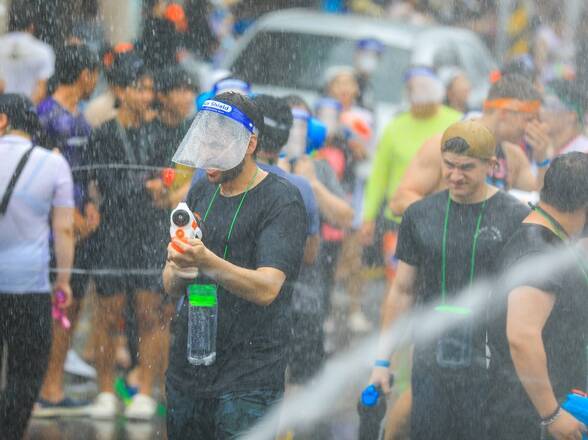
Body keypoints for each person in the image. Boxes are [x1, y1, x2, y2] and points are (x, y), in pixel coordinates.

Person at [368, 120, 530, 439]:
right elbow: (402, 291)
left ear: (491, 165)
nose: (455, 176)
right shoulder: (420, 215)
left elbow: (526, 299)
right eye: (449, 166)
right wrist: (382, 361)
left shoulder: (514, 216)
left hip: (490, 364)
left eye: (467, 167)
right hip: (431, 360)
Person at [163, 92, 307, 438]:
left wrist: (206, 260)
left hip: (249, 374)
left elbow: (268, 288)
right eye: (204, 144)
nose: (208, 157)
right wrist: (178, 267)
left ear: (250, 144)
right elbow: (169, 284)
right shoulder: (201, 192)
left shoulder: (281, 200)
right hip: (191, 365)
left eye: (220, 147)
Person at [82, 52, 161, 419]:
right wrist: (147, 188)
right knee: (107, 315)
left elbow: (166, 181)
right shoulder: (104, 133)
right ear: (119, 90)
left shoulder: (156, 132)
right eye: (139, 88)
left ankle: (146, 389)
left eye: (149, 89)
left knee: (150, 314)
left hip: (149, 233)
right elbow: (106, 186)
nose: (146, 96)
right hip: (113, 233)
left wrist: (152, 189)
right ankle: (104, 390)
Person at [487, 152, 588, 439]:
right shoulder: (537, 254)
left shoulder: (549, 240)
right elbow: (521, 337)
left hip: (552, 408)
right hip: (532, 419)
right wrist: (551, 414)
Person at [0, 94, 74, 439]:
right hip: (28, 287)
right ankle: (10, 430)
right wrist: (63, 280)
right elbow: (64, 228)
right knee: (26, 371)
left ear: (3, 120)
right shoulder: (53, 164)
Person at [32, 43, 100, 417]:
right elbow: (41, 172)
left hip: (80, 224)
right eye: (94, 75)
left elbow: (86, 171)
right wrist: (65, 211)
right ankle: (45, 386)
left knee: (71, 303)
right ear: (85, 74)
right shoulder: (46, 116)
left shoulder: (82, 116)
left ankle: (54, 383)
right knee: (53, 304)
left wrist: (89, 206)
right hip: (53, 225)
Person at [390, 74, 552, 217]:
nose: (532, 127)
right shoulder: (443, 146)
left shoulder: (513, 156)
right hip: (446, 248)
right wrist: (450, 218)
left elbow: (541, 204)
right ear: (504, 113)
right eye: (528, 119)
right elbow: (400, 200)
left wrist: (542, 159)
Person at [361, 65, 461, 282]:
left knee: (435, 281)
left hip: (444, 220)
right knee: (398, 282)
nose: (420, 96)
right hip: (399, 218)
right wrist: (367, 217)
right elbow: (379, 175)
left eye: (425, 89)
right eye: (414, 90)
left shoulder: (456, 122)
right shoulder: (395, 127)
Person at [0, 0, 56, 104]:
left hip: (2, 112)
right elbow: (40, 92)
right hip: (27, 110)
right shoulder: (44, 51)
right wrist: (25, 111)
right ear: (32, 26)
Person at [541, 79, 588, 155]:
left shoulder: (584, 153)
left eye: (552, 106)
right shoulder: (541, 150)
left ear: (572, 115)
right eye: (543, 104)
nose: (543, 111)